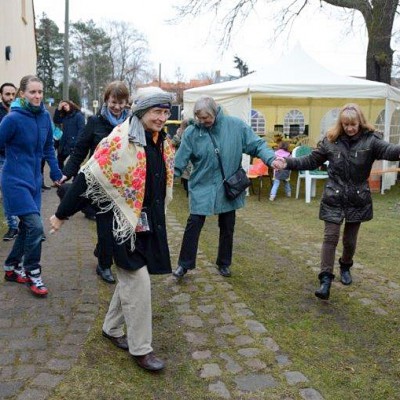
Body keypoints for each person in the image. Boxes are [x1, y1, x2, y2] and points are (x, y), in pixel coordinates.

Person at [50, 89, 175, 371]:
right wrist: (62, 213)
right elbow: (87, 178)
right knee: (139, 282)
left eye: (166, 112)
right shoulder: (119, 141)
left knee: (131, 281)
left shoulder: (160, 141)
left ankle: (111, 328)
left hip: (147, 222)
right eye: (157, 111)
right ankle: (141, 348)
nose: (162, 117)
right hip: (120, 224)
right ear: (142, 111)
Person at [278, 103, 400, 300]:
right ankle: (325, 279)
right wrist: (288, 162)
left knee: (349, 241)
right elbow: (310, 161)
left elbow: (391, 151)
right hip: (333, 196)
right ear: (340, 124)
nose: (350, 128)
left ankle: (345, 265)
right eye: (345, 125)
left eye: (353, 124)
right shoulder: (330, 141)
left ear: (360, 122)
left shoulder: (371, 141)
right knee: (330, 237)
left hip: (357, 198)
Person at [173, 95, 279, 279]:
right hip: (202, 186)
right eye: (200, 118)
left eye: (207, 118)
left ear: (216, 112)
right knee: (193, 224)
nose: (203, 122)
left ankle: (224, 263)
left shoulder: (236, 126)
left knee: (227, 226)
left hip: (227, 186)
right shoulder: (191, 133)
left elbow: (257, 144)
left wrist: (271, 158)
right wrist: (166, 179)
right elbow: (179, 162)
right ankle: (184, 264)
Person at [60, 81, 131, 284]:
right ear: (106, 100)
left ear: (127, 102)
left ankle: (102, 251)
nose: (117, 107)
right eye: (113, 102)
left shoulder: (132, 123)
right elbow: (80, 150)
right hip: (100, 182)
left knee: (120, 225)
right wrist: (66, 173)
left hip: (124, 184)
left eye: (121, 102)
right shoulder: (94, 122)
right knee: (105, 225)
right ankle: (104, 265)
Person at [0, 75, 62, 297]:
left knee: (27, 228)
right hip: (14, 180)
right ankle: (32, 271)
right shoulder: (12, 119)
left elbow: (48, 149)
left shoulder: (45, 116)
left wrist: (56, 173)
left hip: (34, 181)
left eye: (40, 92)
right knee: (35, 227)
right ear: (22, 94)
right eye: (32, 92)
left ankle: (11, 267)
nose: (37, 96)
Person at [0, 82, 19, 241]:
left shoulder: (22, 111)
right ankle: (13, 227)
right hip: (2, 158)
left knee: (22, 192)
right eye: (7, 94)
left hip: (19, 157)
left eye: (13, 94)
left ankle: (30, 227)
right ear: (1, 95)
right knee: (7, 193)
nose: (11, 97)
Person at [53, 100, 85, 170]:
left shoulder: (78, 115)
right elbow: (56, 120)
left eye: (66, 105)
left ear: (71, 105)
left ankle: (75, 179)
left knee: (74, 163)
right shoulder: (64, 116)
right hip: (64, 143)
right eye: (63, 106)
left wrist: (77, 142)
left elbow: (81, 130)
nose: (65, 107)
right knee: (59, 160)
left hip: (74, 144)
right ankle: (61, 177)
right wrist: (58, 108)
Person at [171, 119, 192, 196]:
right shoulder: (192, 133)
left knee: (187, 185)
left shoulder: (182, 134)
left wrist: (177, 136)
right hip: (187, 164)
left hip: (184, 162)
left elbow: (173, 143)